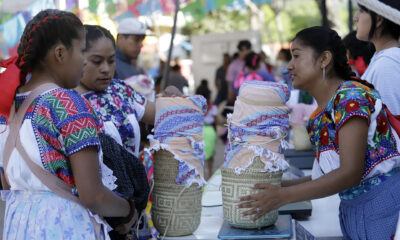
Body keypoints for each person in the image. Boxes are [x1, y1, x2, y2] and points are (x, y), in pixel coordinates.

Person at [238, 26, 400, 239]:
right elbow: (323, 176)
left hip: (383, 210)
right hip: (358, 212)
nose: (289, 65)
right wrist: (277, 187)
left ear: (324, 59)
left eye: (296, 56)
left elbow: (349, 173)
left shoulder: (351, 97)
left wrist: (283, 195)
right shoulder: (322, 113)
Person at [0, 10, 136, 239]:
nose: (84, 60)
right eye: (81, 50)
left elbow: (5, 183)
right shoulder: (67, 103)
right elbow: (93, 195)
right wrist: (128, 210)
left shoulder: (8, 103)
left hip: (18, 225)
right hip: (65, 226)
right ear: (60, 54)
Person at [75, 25, 156, 239]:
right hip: (95, 215)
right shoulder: (68, 104)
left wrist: (173, 99)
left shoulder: (120, 90)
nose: (106, 69)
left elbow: (161, 115)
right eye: (97, 61)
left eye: (111, 61)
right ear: (76, 58)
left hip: (134, 205)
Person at [354, 0, 400, 115]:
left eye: (361, 11)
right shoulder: (382, 58)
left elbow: (392, 126)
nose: (356, 17)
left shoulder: (387, 64)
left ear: (379, 19)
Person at [195, 79, 218, 179]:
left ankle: (200, 175)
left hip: (199, 131)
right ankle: (209, 176)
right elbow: (215, 121)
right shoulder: (212, 107)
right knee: (210, 155)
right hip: (209, 131)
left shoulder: (195, 107)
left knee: (199, 155)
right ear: (208, 97)